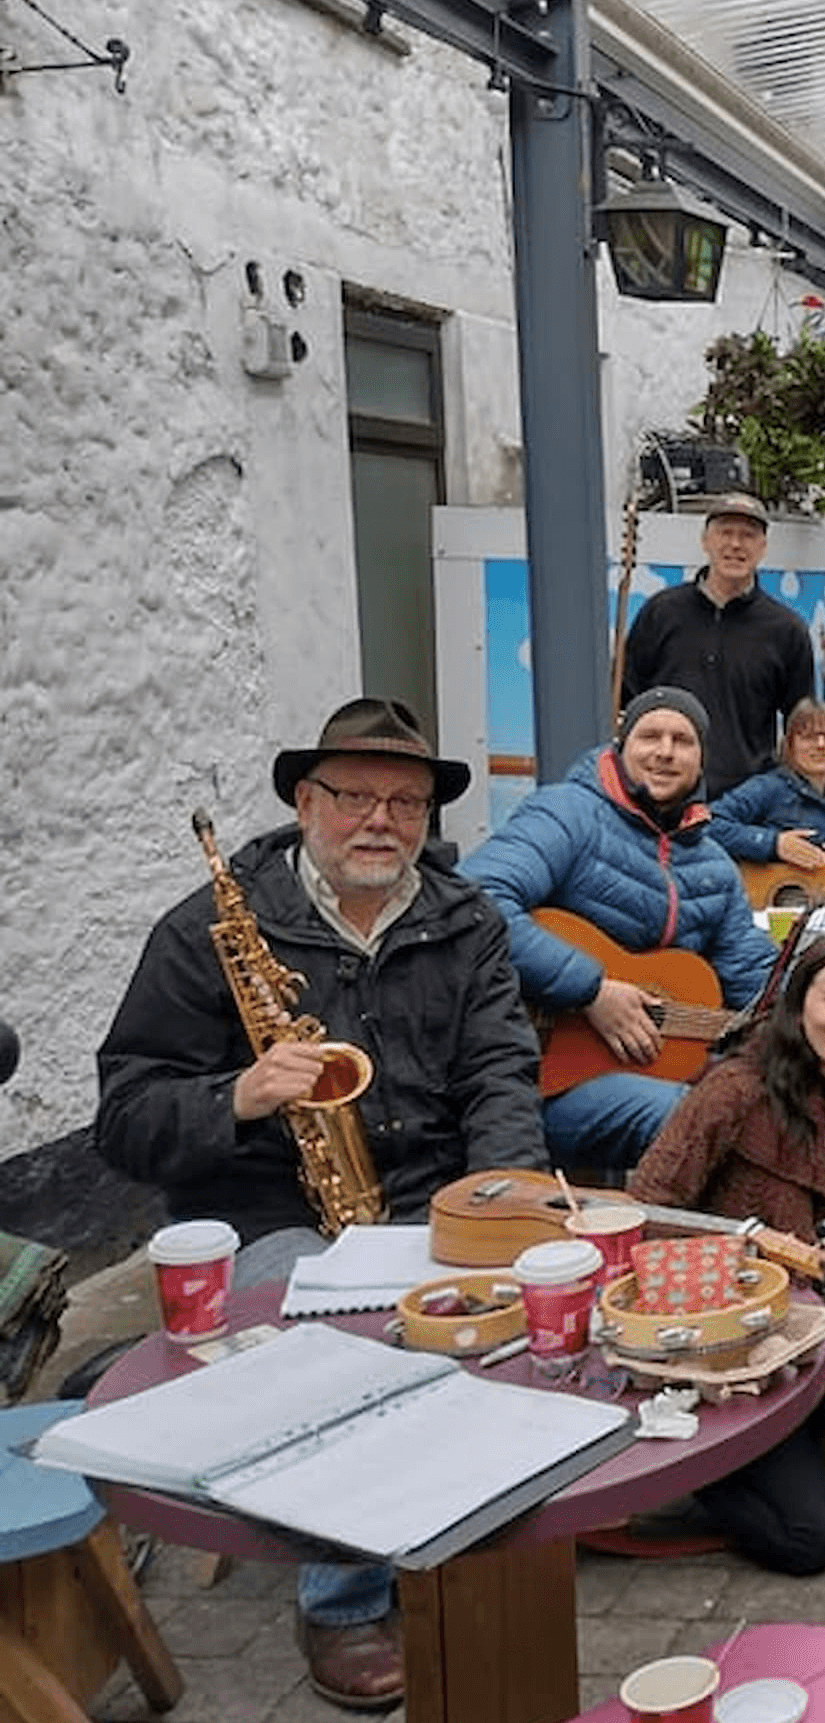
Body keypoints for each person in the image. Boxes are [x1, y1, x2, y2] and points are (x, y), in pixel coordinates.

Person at [94, 696, 546, 1712]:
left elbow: (501, 1077)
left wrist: (503, 1208)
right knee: (340, 1339)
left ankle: (472, 1523)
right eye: (353, 796)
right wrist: (239, 1095)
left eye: (407, 800)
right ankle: (344, 1601)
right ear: (305, 801)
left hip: (424, 1197)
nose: (380, 819)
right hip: (267, 1212)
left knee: (530, 1301)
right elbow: (123, 1116)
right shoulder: (210, 928)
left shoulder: (464, 919)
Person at [626, 931, 825, 1575]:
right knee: (810, 1543)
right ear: (799, 1005)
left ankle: (788, 1436)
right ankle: (708, 1461)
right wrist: (748, 1252)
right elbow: (647, 1209)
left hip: (814, 1331)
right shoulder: (734, 1090)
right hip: (727, 1343)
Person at [463, 686, 776, 1169]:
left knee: (779, 1101)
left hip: (648, 1068)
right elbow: (477, 899)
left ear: (701, 761)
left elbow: (752, 972)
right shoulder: (567, 812)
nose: (666, 751)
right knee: (700, 1116)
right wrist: (589, 991)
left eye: (683, 740)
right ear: (621, 746)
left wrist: (822, 1005)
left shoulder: (713, 861)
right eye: (650, 735)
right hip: (537, 1077)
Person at [618, 490, 816, 799]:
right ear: (705, 541)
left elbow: (801, 729)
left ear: (763, 548)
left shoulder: (787, 631)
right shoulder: (660, 613)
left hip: (746, 806)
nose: (735, 544)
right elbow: (625, 703)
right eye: (725, 533)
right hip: (661, 796)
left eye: (748, 535)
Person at [708, 697, 825, 890]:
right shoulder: (766, 789)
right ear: (790, 745)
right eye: (808, 737)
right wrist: (774, 844)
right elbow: (709, 824)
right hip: (769, 912)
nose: (820, 745)